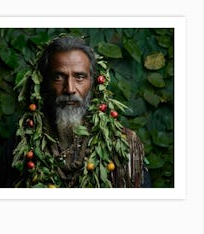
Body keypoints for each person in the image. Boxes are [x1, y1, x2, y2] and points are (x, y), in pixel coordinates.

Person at [10, 35, 150, 188]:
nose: (69, 89)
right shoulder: (22, 143)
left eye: (80, 77)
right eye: (58, 77)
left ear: (94, 82)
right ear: (43, 83)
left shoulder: (125, 144)